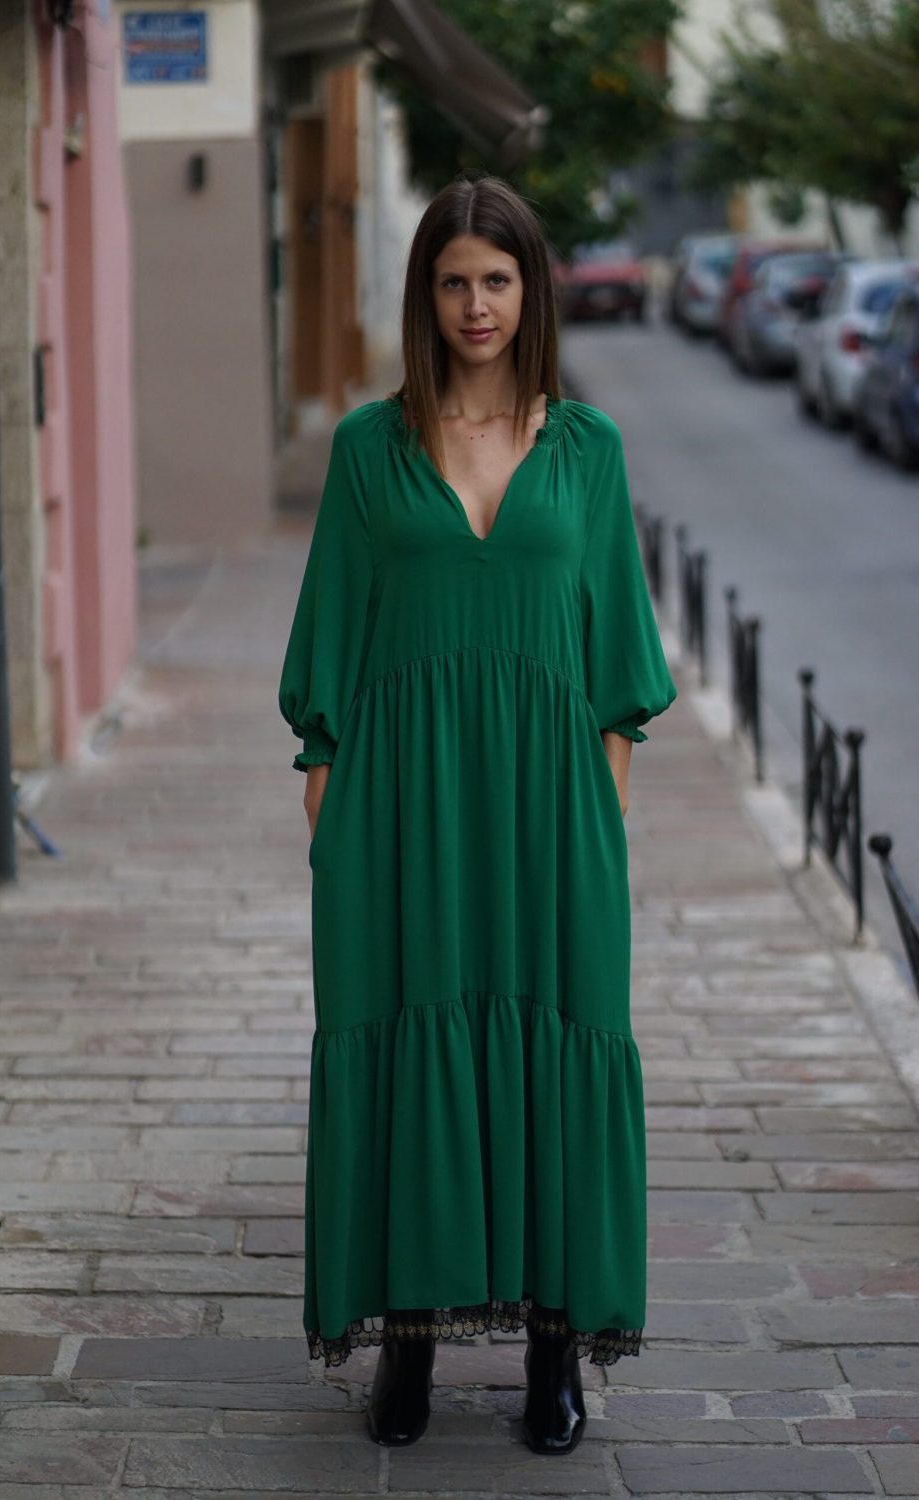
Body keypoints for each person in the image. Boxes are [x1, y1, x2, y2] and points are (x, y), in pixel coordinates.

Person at [277, 174, 677, 1456]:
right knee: (400, 1046)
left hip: (553, 813)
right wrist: (330, 816)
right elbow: (325, 664)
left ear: (531, 289)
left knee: (558, 1049)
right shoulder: (365, 447)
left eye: (496, 280)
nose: (475, 304)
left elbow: (619, 664)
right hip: (402, 817)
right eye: (453, 281)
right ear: (424, 295)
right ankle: (404, 1341)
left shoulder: (590, 449)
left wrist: (596, 816)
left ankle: (555, 1350)